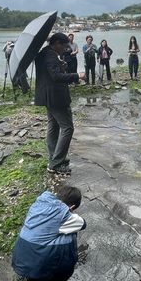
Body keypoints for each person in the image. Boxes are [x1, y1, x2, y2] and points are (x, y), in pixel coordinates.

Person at [11, 185, 86, 281]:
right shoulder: (65, 215)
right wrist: (70, 213)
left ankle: (34, 276)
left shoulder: (38, 203)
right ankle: (58, 278)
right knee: (70, 234)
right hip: (37, 266)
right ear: (72, 207)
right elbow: (83, 224)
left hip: (19, 261)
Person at [35, 33, 84, 175]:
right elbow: (55, 77)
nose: (65, 49)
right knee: (67, 128)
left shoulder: (45, 53)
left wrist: (61, 64)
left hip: (48, 96)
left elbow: (52, 73)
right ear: (56, 43)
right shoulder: (50, 55)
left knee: (53, 126)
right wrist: (77, 76)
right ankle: (56, 163)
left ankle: (54, 157)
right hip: (56, 97)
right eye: (64, 46)